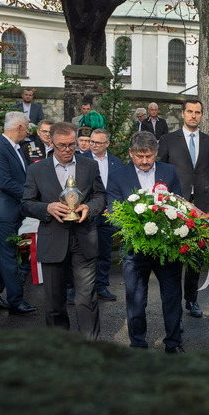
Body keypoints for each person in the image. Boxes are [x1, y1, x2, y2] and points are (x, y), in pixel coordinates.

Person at [21, 121, 106, 339]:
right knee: (54, 302)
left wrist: (89, 207)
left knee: (86, 299)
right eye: (62, 145)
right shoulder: (36, 169)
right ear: (51, 143)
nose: (68, 149)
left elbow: (100, 196)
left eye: (71, 144)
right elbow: (26, 203)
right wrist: (47, 208)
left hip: (84, 238)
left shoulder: (89, 165)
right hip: (53, 239)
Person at [107, 131, 186, 353]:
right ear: (130, 153)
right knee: (136, 299)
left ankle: (173, 343)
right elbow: (113, 212)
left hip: (166, 248)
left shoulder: (169, 171)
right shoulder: (117, 176)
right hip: (135, 248)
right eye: (139, 156)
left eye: (149, 156)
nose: (144, 161)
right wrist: (136, 228)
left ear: (156, 153)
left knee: (172, 297)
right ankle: (138, 344)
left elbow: (180, 204)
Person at [157, 99, 209, 318]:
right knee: (174, 258)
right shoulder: (168, 140)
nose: (194, 115)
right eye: (190, 111)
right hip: (174, 205)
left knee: (196, 257)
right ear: (183, 114)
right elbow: (161, 172)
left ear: (201, 115)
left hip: (202, 205)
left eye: (198, 112)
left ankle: (191, 300)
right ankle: (173, 306)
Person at [0, 112, 38, 316]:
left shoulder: (16, 148)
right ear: (19, 127)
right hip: (1, 212)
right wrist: (32, 197)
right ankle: (16, 301)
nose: (28, 131)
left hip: (10, 211)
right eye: (27, 127)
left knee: (2, 255)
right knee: (9, 257)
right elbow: (5, 182)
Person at [88, 128, 121, 302]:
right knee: (85, 251)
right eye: (92, 141)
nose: (93, 145)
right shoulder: (81, 159)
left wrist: (113, 206)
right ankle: (83, 287)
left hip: (108, 214)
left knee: (105, 251)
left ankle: (101, 285)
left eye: (98, 142)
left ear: (107, 143)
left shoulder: (116, 162)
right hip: (88, 213)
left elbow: (119, 187)